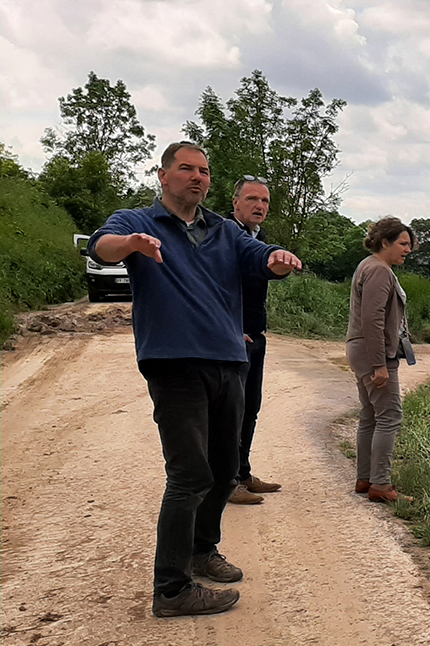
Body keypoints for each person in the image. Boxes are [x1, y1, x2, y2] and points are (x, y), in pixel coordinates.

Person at [88, 141, 302, 618]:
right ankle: (171, 590)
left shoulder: (225, 231)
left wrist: (277, 259)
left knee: (225, 470)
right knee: (189, 475)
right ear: (163, 176)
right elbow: (103, 245)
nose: (197, 177)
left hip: (229, 361)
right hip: (173, 362)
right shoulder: (138, 221)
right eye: (186, 169)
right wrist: (130, 247)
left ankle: (203, 550)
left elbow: (257, 255)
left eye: (203, 170)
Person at [346, 217, 416, 503]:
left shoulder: (371, 266)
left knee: (370, 415)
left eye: (410, 245)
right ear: (384, 242)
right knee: (390, 416)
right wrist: (379, 365)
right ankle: (381, 485)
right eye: (402, 243)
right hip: (373, 352)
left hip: (361, 349)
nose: (408, 250)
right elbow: (372, 320)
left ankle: (366, 478)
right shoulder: (378, 270)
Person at [226, 175, 282, 505]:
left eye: (264, 201)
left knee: (251, 408)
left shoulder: (258, 239)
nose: (259, 206)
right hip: (233, 337)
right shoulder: (222, 236)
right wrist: (231, 327)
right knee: (230, 412)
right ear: (235, 203)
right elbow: (215, 287)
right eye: (252, 200)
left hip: (255, 335)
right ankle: (227, 481)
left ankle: (242, 473)